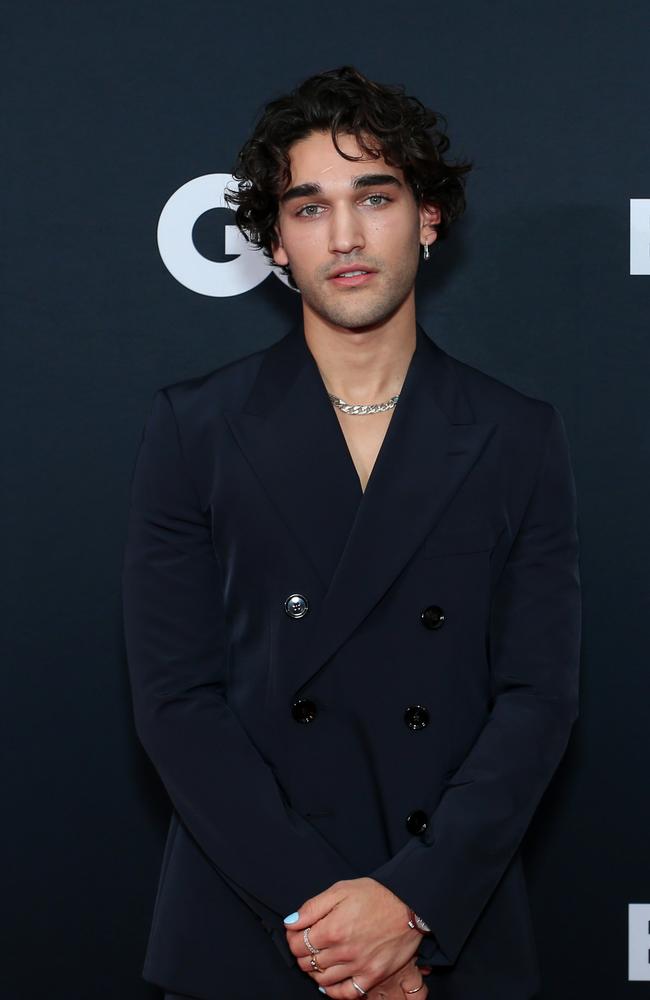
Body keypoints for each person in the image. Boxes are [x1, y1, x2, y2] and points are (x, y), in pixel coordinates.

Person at [121, 65, 581, 1000]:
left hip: (450, 926)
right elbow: (176, 702)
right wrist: (330, 923)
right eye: (308, 207)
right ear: (275, 243)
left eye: (375, 195)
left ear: (427, 217)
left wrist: (410, 909)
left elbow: (537, 700)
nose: (345, 235)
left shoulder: (516, 434)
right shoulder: (196, 427)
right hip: (251, 927)